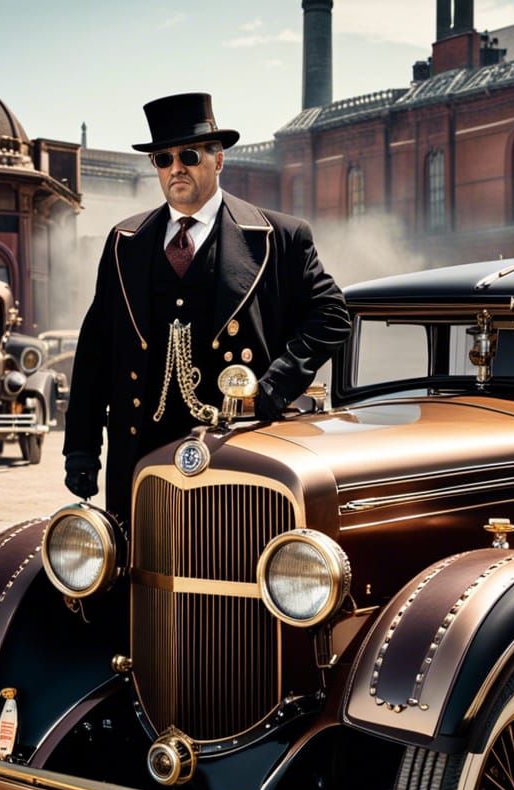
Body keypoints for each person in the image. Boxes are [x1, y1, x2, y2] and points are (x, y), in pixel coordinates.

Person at [63, 92, 351, 518]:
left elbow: (331, 316)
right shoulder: (125, 242)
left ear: (218, 160)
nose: (176, 168)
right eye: (163, 158)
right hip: (140, 453)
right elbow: (95, 350)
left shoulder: (279, 237)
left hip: (236, 449)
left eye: (189, 154)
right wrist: (82, 447)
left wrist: (271, 388)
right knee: (140, 577)